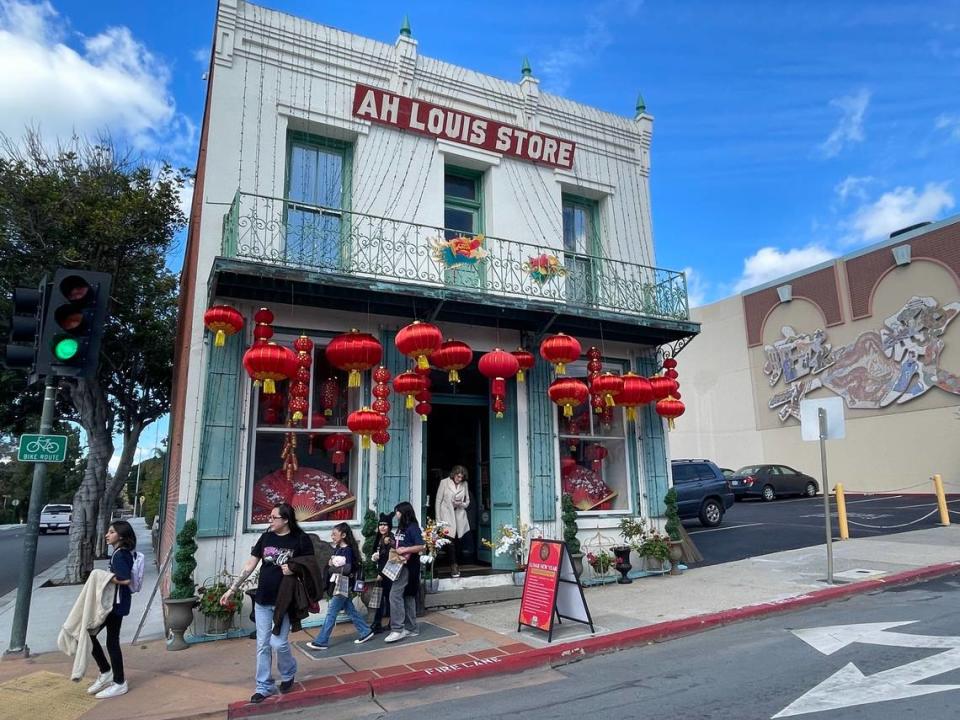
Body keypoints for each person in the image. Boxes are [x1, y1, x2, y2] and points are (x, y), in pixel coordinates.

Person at [221, 502, 313, 704]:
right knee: (262, 644)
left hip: (285, 601)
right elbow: (250, 565)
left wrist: (293, 568)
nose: (269, 520)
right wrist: (232, 589)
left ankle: (288, 671)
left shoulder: (300, 539)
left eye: (273, 517)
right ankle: (264, 686)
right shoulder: (266, 537)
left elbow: (310, 566)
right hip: (263, 600)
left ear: (286, 520)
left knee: (278, 643)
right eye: (269, 517)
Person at [86, 520, 136, 699]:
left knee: (92, 635)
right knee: (103, 638)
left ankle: (118, 681)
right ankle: (109, 674)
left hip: (115, 605)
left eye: (112, 532)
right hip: (116, 603)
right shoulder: (119, 553)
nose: (107, 535)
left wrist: (102, 576)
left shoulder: (120, 554)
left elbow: (124, 579)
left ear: (121, 536)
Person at [305, 523, 374, 650]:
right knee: (350, 610)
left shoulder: (347, 550)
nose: (332, 536)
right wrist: (331, 566)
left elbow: (347, 569)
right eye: (332, 534)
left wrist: (332, 568)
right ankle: (365, 631)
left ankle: (321, 641)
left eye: (334, 534)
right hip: (339, 584)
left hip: (343, 584)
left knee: (331, 613)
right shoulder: (339, 549)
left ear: (343, 535)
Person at [384, 501, 426, 643]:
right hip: (398, 563)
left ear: (404, 513)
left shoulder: (413, 527)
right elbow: (400, 544)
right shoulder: (401, 528)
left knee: (394, 595)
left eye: (398, 512)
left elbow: (421, 546)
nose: (396, 515)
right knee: (408, 595)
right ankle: (412, 627)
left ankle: (397, 629)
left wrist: (405, 550)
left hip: (407, 566)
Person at [435, 465, 471, 577]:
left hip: (459, 515)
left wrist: (461, 504)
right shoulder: (444, 482)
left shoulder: (464, 484)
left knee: (459, 542)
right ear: (454, 474)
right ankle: (454, 566)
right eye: (458, 476)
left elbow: (467, 501)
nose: (459, 479)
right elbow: (438, 500)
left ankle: (455, 562)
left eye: (461, 477)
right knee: (449, 542)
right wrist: (438, 519)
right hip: (446, 516)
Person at [370, 513, 395, 633]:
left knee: (390, 598)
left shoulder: (389, 538)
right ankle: (377, 623)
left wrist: (381, 573)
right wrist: (375, 557)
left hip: (388, 573)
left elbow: (389, 558)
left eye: (385, 525)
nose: (382, 527)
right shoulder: (379, 538)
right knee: (380, 598)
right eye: (380, 524)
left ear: (389, 526)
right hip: (381, 571)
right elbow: (379, 554)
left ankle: (391, 623)